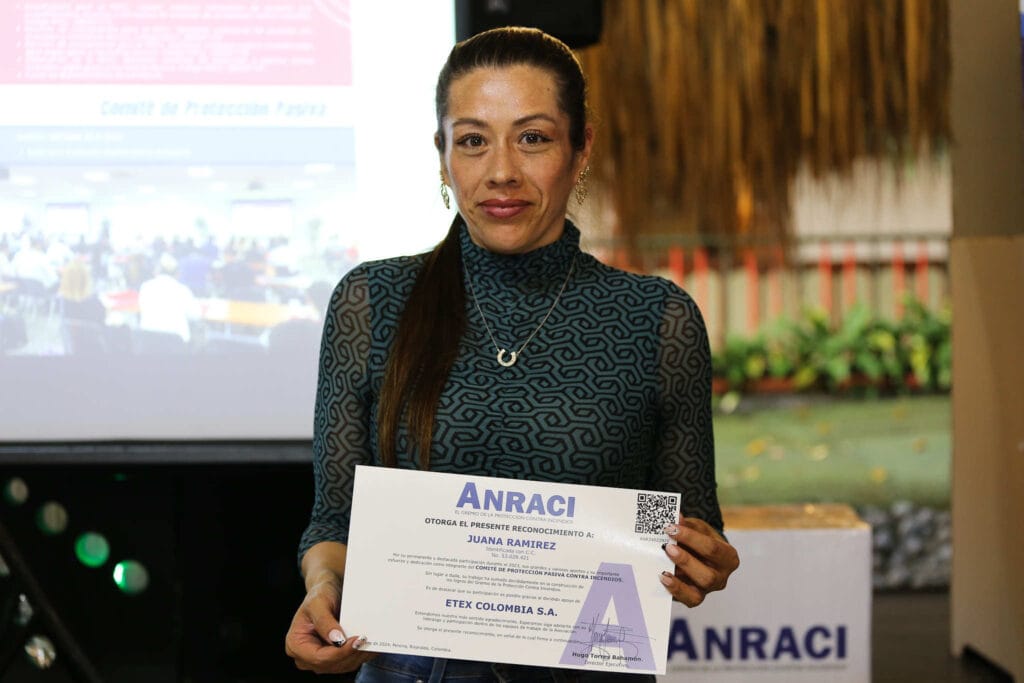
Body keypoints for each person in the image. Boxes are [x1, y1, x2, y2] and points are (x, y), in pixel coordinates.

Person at [285, 27, 739, 681]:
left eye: (533, 137)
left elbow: (687, 525)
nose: (501, 169)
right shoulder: (371, 300)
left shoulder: (656, 320)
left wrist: (702, 561)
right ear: (443, 156)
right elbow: (332, 520)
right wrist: (324, 585)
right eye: (473, 140)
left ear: (581, 150)